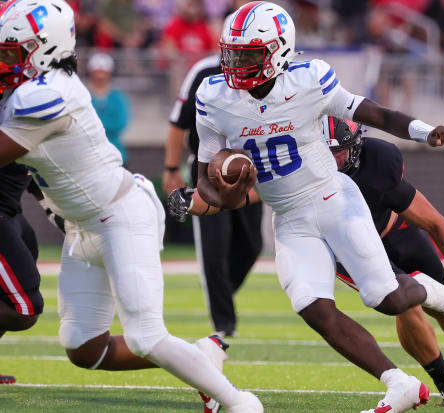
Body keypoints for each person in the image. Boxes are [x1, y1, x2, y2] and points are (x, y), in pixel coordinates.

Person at [168, 2, 444, 411]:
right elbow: (206, 175)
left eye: (247, 55)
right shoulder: (214, 96)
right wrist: (206, 197)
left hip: (332, 198)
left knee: (386, 298)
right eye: (231, 53)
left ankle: (439, 296)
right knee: (313, 308)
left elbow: (376, 112)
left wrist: (423, 132)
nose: (235, 64)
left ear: (278, 51)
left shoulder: (309, 80)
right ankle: (398, 383)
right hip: (289, 217)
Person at [0, 1, 261, 412]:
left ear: (42, 49)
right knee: (84, 348)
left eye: (9, 52)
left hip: (120, 215)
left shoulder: (48, 94)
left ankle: (238, 401)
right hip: (82, 226)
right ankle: (200, 356)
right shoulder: (30, 89)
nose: (3, 60)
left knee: (145, 334)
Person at [322, 116, 444, 407]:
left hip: (396, 232)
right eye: (326, 152)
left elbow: (435, 222)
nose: (334, 161)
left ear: (356, 146)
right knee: (405, 301)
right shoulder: (304, 177)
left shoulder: (378, 162)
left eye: (339, 151)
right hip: (350, 253)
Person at [164, 53, 263, 337]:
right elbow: (178, 121)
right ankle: (223, 324)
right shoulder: (205, 72)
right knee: (214, 249)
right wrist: (171, 167)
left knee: (252, 246)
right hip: (208, 168)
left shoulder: (272, 75)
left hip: (250, 170)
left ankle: (219, 288)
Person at [0, 163, 64, 385]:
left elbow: (34, 168)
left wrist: (52, 209)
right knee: (24, 308)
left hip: (11, 212)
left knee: (8, 295)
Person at [87, 53, 131, 165]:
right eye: (97, 72)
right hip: (89, 157)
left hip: (116, 154)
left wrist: (95, 125)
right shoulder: (83, 96)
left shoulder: (118, 97)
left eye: (103, 72)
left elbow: (121, 123)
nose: (100, 76)